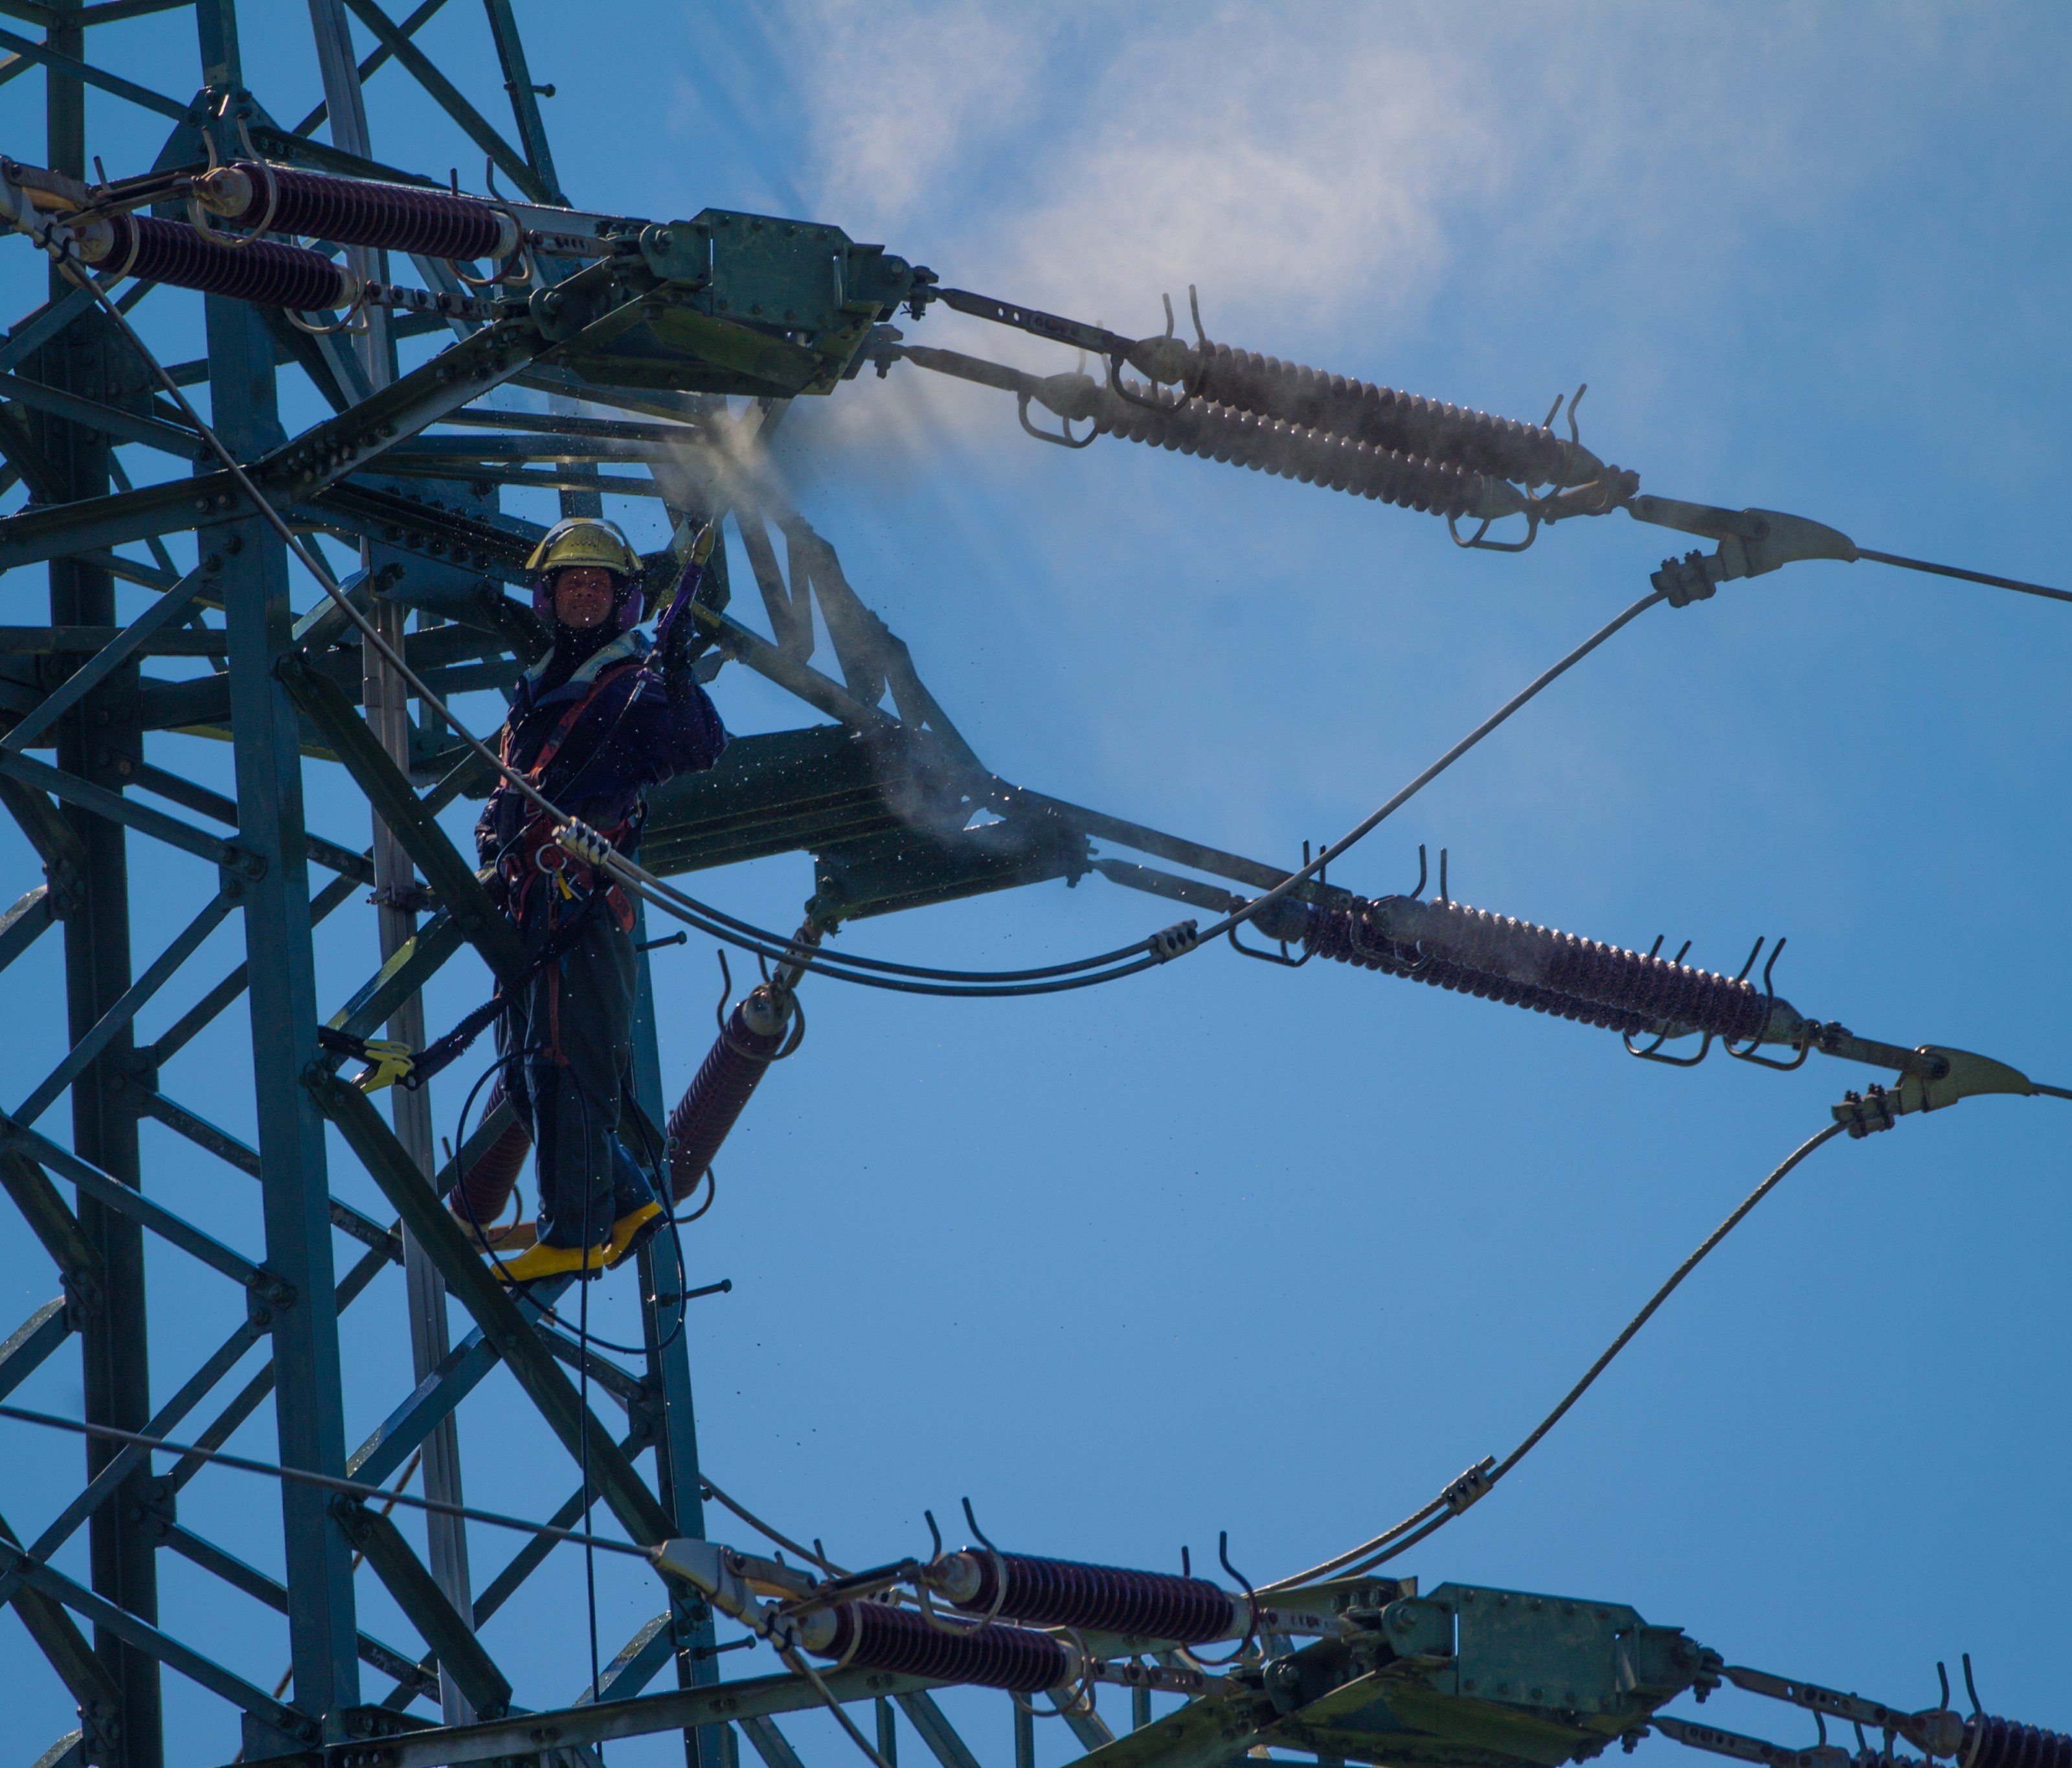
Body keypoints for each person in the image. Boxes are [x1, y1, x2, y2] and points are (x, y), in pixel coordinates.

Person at [468, 514, 727, 1281]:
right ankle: (624, 1196)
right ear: (549, 597)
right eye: (570, 582)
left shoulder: (635, 680)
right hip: (527, 903)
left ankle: (574, 1226)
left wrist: (677, 673)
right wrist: (489, 860)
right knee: (522, 1073)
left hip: (579, 897)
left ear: (622, 601)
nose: (583, 592)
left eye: (597, 583)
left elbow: (698, 745)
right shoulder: (538, 694)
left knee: (561, 1059)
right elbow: (508, 800)